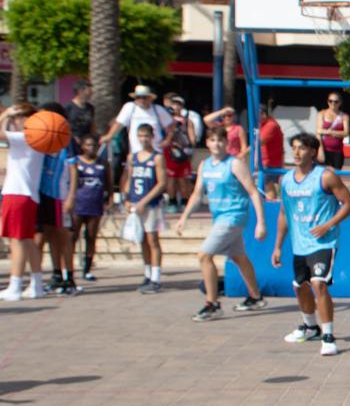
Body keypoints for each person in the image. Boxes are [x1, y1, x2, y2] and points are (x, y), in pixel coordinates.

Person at [269, 132, 350, 356]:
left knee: (318, 283)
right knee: (299, 286)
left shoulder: (325, 176)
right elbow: (283, 214)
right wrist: (278, 245)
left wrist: (328, 224)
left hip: (324, 242)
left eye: (302, 148)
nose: (296, 152)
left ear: (313, 152)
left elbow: (348, 204)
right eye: (294, 148)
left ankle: (328, 336)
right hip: (299, 245)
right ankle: (310, 327)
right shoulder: (286, 180)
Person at [176, 124, 270, 321]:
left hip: (234, 216)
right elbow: (197, 193)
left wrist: (261, 222)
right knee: (238, 257)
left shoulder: (234, 164)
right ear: (207, 143)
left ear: (227, 143)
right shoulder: (205, 165)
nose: (217, 144)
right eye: (212, 140)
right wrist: (184, 217)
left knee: (204, 255)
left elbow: (253, 192)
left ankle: (212, 304)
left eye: (220, 140)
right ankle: (256, 297)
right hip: (219, 216)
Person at [0, 101, 45, 301]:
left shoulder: (25, 137)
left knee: (16, 241)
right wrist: (8, 117)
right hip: (27, 195)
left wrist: (5, 114)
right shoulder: (36, 138)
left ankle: (15, 285)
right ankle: (36, 284)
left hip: (17, 194)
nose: (15, 120)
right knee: (27, 240)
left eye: (18, 116)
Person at [121, 121, 168, 293]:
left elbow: (162, 183)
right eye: (141, 136)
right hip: (136, 203)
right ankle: (147, 273)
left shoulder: (157, 157)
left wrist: (145, 201)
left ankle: (156, 276)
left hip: (151, 204)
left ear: (152, 137)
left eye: (146, 136)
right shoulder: (132, 157)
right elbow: (129, 179)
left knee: (152, 239)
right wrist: (126, 198)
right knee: (141, 240)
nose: (143, 139)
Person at [34, 105, 77, 294]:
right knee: (49, 236)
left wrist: (71, 197)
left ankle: (70, 277)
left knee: (64, 237)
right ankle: (56, 274)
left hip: (60, 195)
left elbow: (74, 169)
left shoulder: (67, 141)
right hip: (43, 195)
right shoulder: (40, 139)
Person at [65, 133, 110, 282]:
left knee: (91, 237)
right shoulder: (76, 162)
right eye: (88, 145)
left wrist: (109, 198)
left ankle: (87, 269)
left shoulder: (103, 163)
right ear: (83, 146)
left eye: (94, 145)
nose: (91, 148)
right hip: (79, 203)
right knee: (72, 236)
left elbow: (108, 182)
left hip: (95, 204)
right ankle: (68, 268)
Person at [314, 92, 350, 171]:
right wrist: (320, 150)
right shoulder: (322, 114)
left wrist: (330, 132)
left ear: (340, 102)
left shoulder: (344, 116)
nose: (333, 103)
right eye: (330, 101)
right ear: (327, 102)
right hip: (323, 149)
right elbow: (318, 132)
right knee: (320, 175)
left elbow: (346, 133)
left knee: (335, 176)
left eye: (336, 101)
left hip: (337, 152)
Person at [256, 100, 286, 194]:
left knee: (268, 186)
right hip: (267, 161)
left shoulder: (271, 125)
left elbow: (260, 142)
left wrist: (244, 152)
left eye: (258, 115)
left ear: (263, 114)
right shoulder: (263, 124)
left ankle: (272, 205)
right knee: (267, 186)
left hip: (270, 162)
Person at [64, 80, 96, 148]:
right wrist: (74, 137)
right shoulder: (68, 107)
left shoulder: (90, 108)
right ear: (80, 91)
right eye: (89, 91)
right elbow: (64, 125)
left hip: (86, 145)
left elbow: (92, 125)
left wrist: (93, 138)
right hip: (72, 144)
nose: (91, 93)